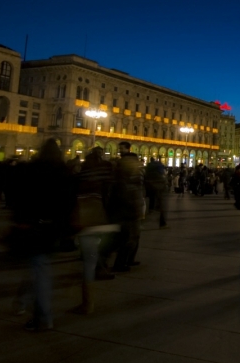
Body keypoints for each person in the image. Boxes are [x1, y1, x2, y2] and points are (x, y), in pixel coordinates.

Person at [11, 139, 71, 331]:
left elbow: (20, 196)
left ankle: (43, 316)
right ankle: (22, 302)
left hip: (32, 225)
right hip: (52, 228)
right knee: (38, 266)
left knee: (39, 268)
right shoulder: (63, 172)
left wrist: (20, 220)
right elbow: (68, 202)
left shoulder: (32, 169)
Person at [71, 147, 120, 314]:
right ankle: (103, 268)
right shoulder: (108, 176)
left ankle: (88, 302)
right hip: (106, 221)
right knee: (100, 253)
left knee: (88, 261)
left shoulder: (82, 177)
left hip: (89, 221)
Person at [109, 145, 145, 272]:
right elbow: (135, 192)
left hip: (123, 208)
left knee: (127, 236)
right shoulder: (131, 174)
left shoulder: (118, 171)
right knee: (129, 237)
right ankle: (120, 263)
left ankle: (126, 260)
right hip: (129, 209)